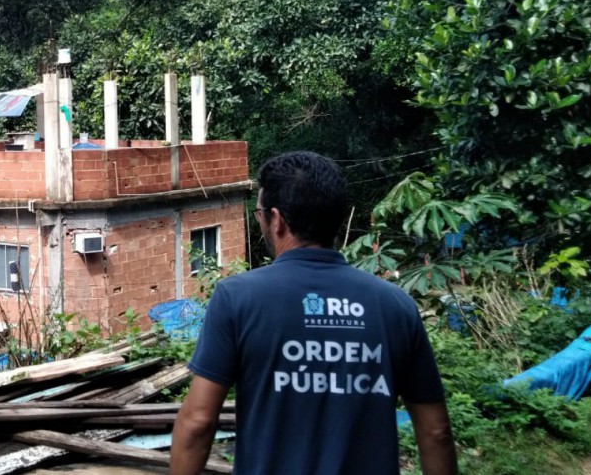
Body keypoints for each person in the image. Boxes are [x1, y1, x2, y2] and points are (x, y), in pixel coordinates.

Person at [170, 151, 457, 474]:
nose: (261, 220)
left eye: (260, 213)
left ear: (276, 220)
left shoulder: (238, 298)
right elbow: (436, 433)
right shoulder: (395, 305)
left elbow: (197, 422)